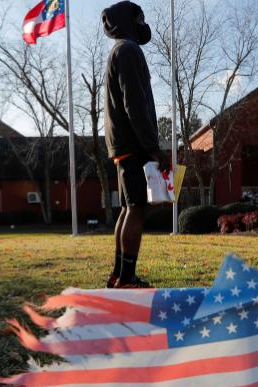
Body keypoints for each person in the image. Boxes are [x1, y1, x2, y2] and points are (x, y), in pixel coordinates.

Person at [102, 1, 168, 289]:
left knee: (129, 208)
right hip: (133, 144)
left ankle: (118, 275)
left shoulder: (120, 50)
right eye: (141, 19)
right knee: (136, 208)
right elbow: (135, 103)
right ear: (131, 21)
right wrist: (153, 147)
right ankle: (126, 278)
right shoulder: (128, 50)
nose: (144, 24)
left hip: (123, 144)